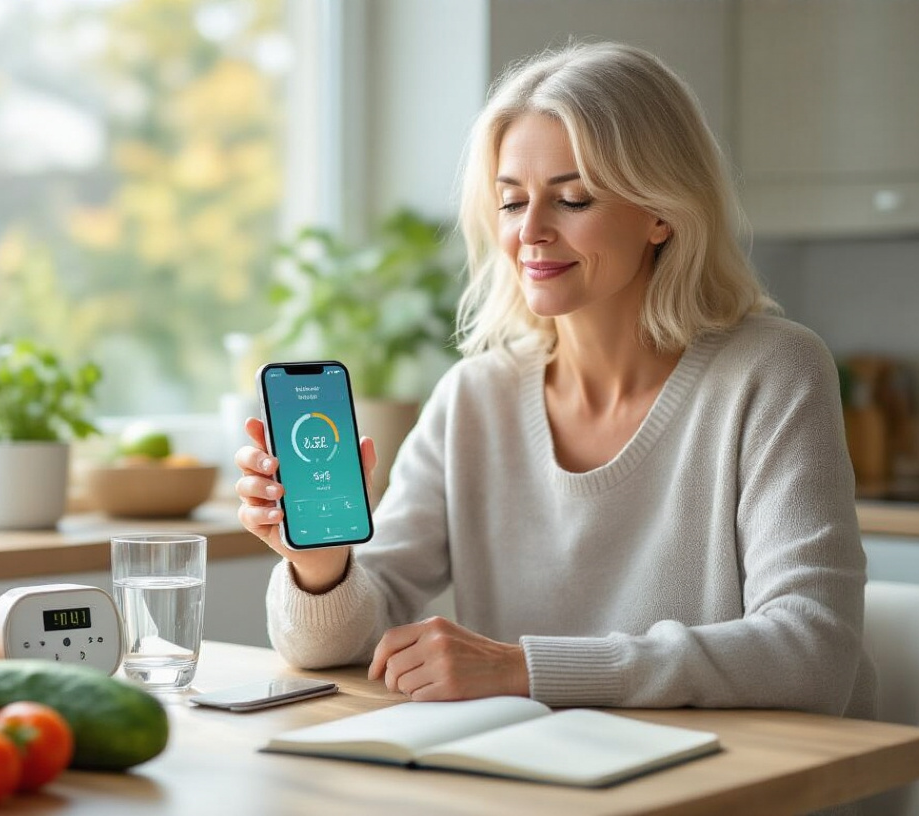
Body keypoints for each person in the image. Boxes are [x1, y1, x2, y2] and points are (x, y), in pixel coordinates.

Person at [234, 41, 875, 721]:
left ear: (662, 212)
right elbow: (330, 646)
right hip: (540, 773)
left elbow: (813, 651)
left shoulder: (772, 372)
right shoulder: (475, 398)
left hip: (739, 778)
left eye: (573, 199)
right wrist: (323, 566)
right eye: (512, 204)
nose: (531, 232)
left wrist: (524, 668)